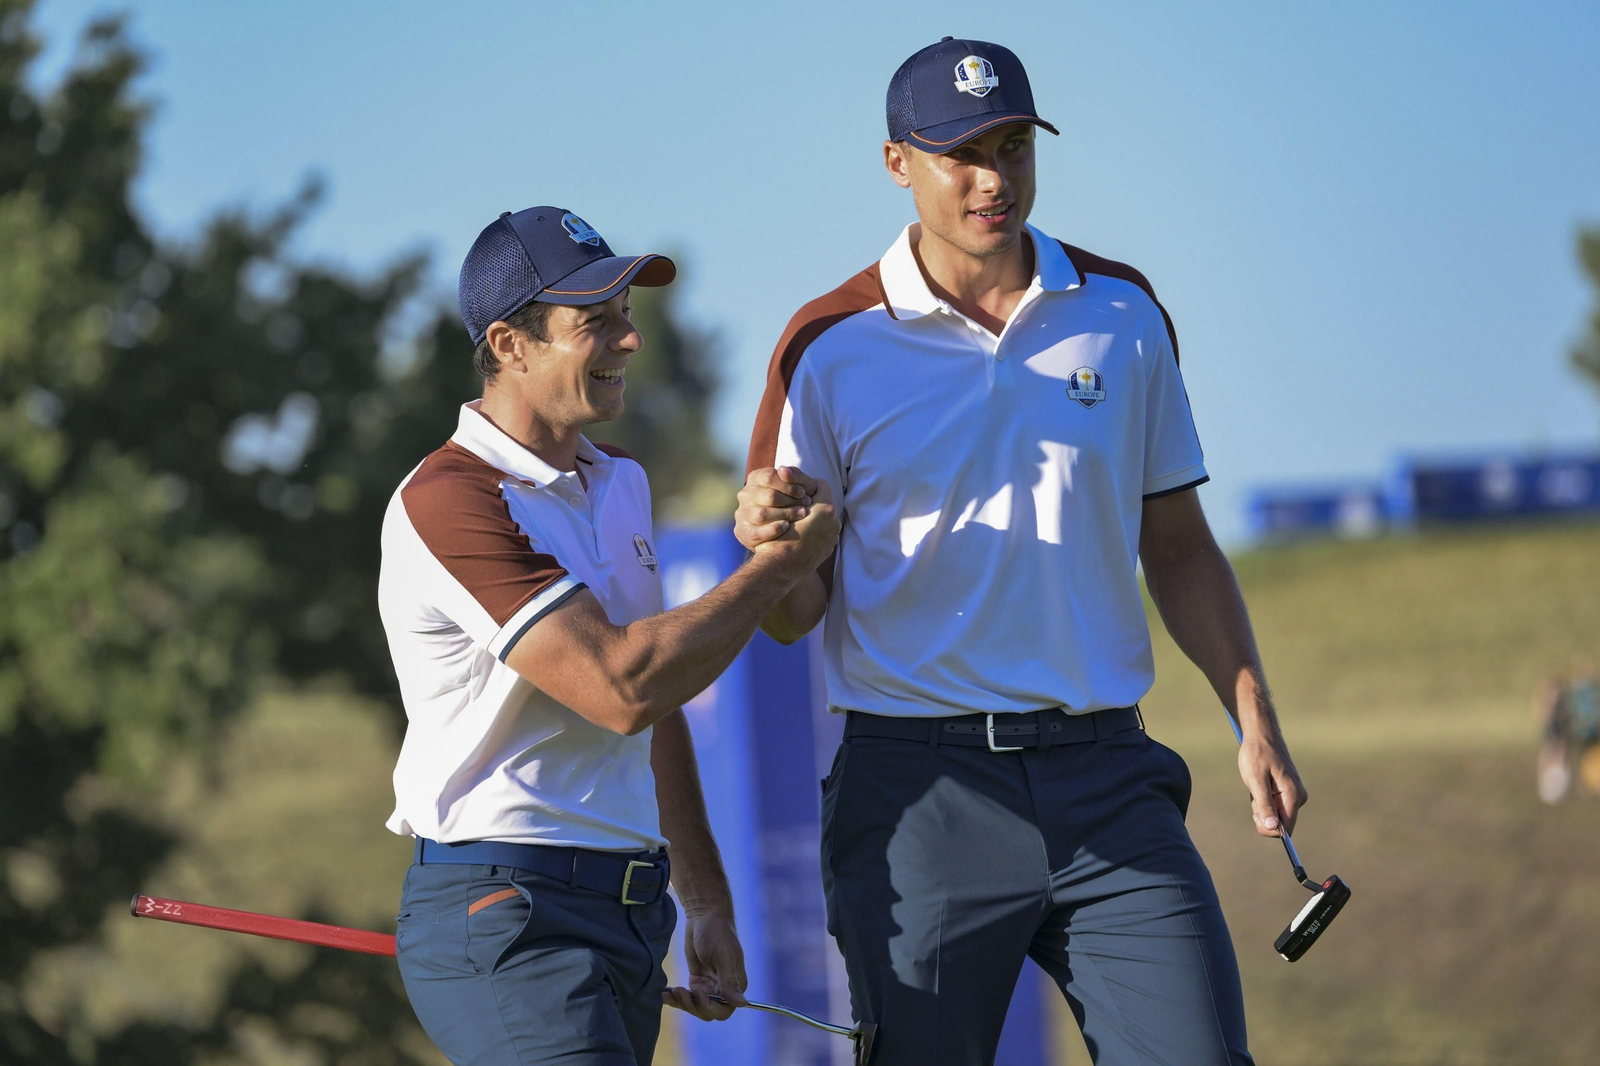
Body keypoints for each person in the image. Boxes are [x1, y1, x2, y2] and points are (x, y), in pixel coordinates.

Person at [737, 38, 1307, 1066]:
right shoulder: (826, 344)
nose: (992, 178)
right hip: (918, 795)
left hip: (1109, 782)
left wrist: (1252, 716)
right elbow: (790, 610)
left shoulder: (1122, 313)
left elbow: (1176, 547)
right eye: (961, 153)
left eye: (1011, 145)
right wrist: (773, 550)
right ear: (895, 162)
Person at [378, 206, 840, 1065]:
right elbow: (620, 687)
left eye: (627, 316)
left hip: (629, 909)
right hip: (505, 910)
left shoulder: (619, 480)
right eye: (596, 322)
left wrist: (705, 900)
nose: (629, 341)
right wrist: (780, 566)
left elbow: (659, 703)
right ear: (510, 345)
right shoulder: (450, 499)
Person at [1534, 673, 1571, 805]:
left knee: (1554, 739)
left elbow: (1545, 761)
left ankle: (1551, 687)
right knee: (1555, 739)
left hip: (1553, 737)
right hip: (1555, 738)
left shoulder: (1549, 787)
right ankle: (1551, 687)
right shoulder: (1554, 785)